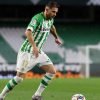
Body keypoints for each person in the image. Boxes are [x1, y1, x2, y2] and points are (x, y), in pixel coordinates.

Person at [0, 1, 62, 100]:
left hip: (38, 52)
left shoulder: (50, 19)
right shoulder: (37, 18)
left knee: (51, 71)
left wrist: (56, 37)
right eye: (53, 12)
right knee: (19, 78)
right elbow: (28, 32)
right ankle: (1, 96)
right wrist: (34, 47)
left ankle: (36, 95)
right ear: (46, 10)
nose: (55, 14)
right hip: (28, 51)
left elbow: (51, 27)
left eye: (56, 12)